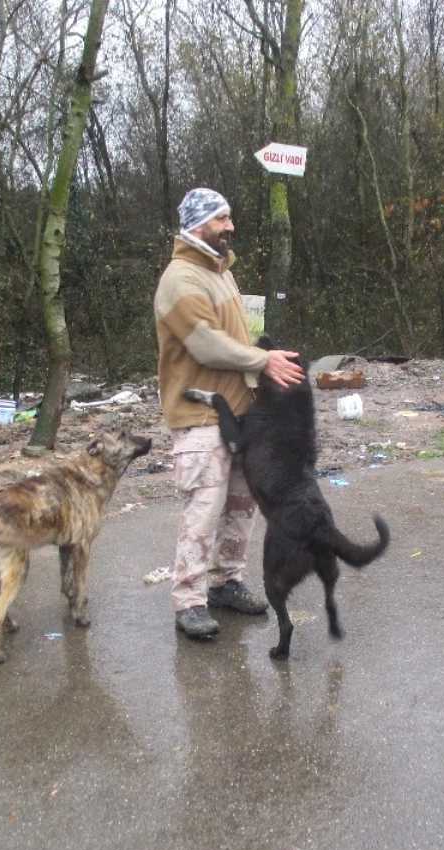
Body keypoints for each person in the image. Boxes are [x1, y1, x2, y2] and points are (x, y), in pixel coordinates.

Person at [153, 188, 304, 639]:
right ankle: (188, 601)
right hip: (199, 416)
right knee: (204, 507)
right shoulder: (181, 279)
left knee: (241, 504)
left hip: (241, 416)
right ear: (198, 224)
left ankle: (226, 582)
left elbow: (237, 338)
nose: (231, 226)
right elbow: (204, 345)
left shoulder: (221, 274)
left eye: (230, 218)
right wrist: (262, 362)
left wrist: (266, 356)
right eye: (222, 219)